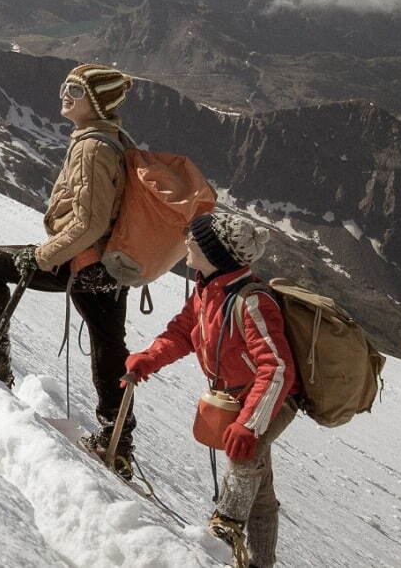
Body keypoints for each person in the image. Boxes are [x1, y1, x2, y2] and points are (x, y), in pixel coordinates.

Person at [0, 62, 138, 475]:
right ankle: (117, 439)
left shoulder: (91, 148)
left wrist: (42, 255)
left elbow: (88, 222)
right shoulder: (113, 140)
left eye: (74, 89)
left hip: (84, 261)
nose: (64, 95)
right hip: (112, 266)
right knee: (109, 345)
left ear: (95, 101)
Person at [122, 214, 299, 568]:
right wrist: (148, 359)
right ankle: (261, 562)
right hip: (238, 396)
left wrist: (249, 423)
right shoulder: (208, 288)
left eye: (196, 239)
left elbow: (277, 369)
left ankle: (226, 527)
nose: (187, 241)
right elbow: (183, 332)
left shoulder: (252, 301)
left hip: (270, 398)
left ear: (216, 253)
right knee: (260, 491)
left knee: (244, 456)